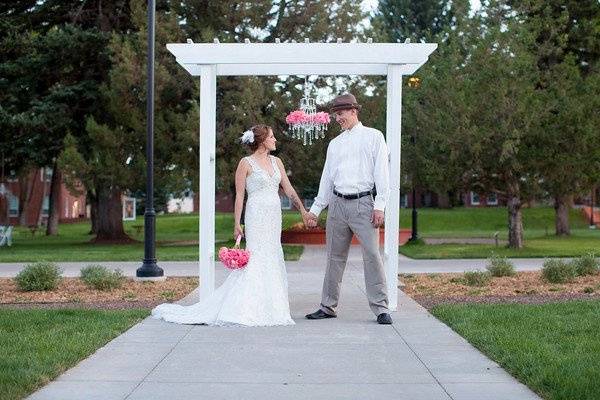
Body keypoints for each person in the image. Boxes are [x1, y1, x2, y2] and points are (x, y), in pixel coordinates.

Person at [152, 124, 307, 326]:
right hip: (256, 215)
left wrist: (303, 210)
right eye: (272, 136)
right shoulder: (245, 163)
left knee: (272, 254)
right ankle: (247, 308)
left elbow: (288, 188)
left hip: (273, 216)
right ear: (261, 141)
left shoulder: (277, 161)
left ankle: (273, 307)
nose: (275, 139)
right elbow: (240, 196)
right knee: (257, 255)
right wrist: (237, 223)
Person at [302, 93, 393, 325]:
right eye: (335, 115)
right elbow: (327, 179)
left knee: (372, 255)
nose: (337, 119)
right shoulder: (334, 144)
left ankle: (381, 308)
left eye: (340, 114)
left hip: (364, 204)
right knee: (334, 257)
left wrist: (380, 205)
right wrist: (316, 210)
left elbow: (382, 173)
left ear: (354, 111)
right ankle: (327, 306)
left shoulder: (374, 137)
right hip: (337, 206)